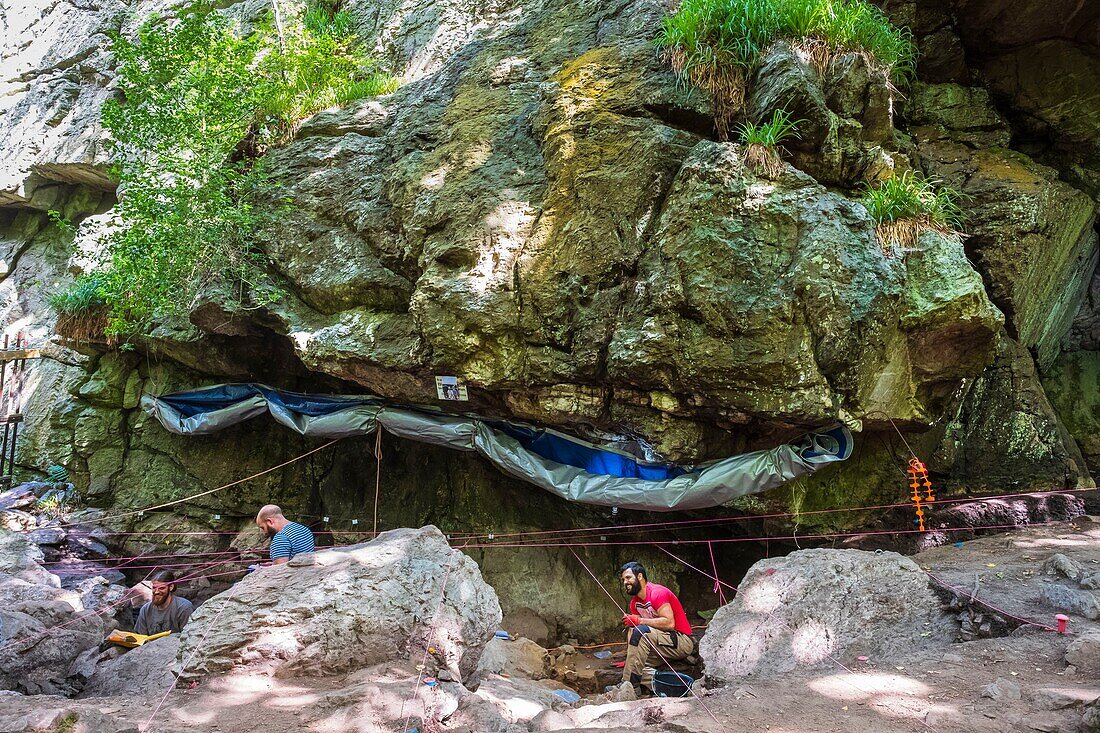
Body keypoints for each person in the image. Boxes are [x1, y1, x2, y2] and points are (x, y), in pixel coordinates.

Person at [618, 561, 695, 697]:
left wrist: (639, 620)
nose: (625, 582)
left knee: (641, 630)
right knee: (633, 659)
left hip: (681, 641)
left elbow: (669, 623)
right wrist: (630, 655)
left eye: (628, 577)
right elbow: (635, 632)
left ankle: (630, 688)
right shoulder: (634, 603)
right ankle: (657, 680)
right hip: (659, 645)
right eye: (623, 579)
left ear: (640, 576)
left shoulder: (657, 593)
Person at [134, 570, 194, 636]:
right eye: (154, 588)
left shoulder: (183, 607)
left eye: (161, 588)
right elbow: (140, 638)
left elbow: (188, 636)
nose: (156, 592)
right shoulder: (145, 609)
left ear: (171, 587)